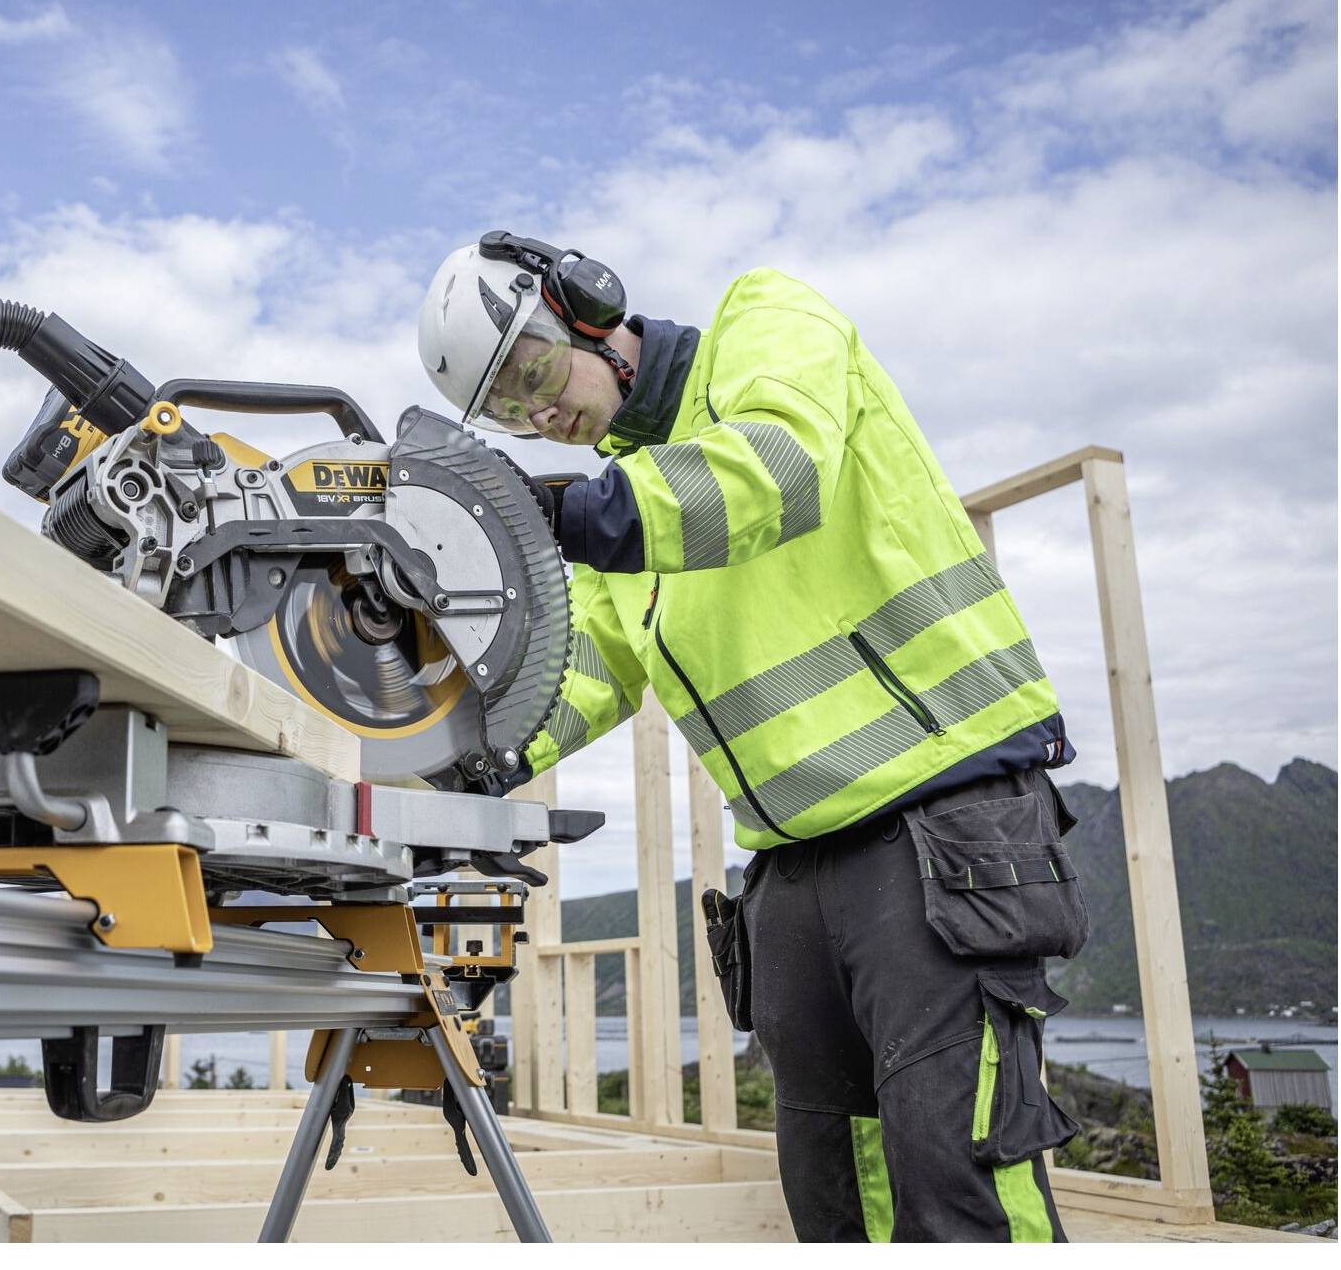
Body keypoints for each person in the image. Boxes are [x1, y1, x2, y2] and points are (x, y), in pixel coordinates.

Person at [416, 233, 1090, 1242]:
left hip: (937, 826)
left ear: (586, 304)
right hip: (793, 868)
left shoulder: (761, 323)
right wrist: (445, 759)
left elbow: (777, 468)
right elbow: (578, 672)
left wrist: (548, 514)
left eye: (535, 374)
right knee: (835, 1195)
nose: (538, 414)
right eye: (509, 411)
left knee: (959, 1185)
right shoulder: (626, 504)